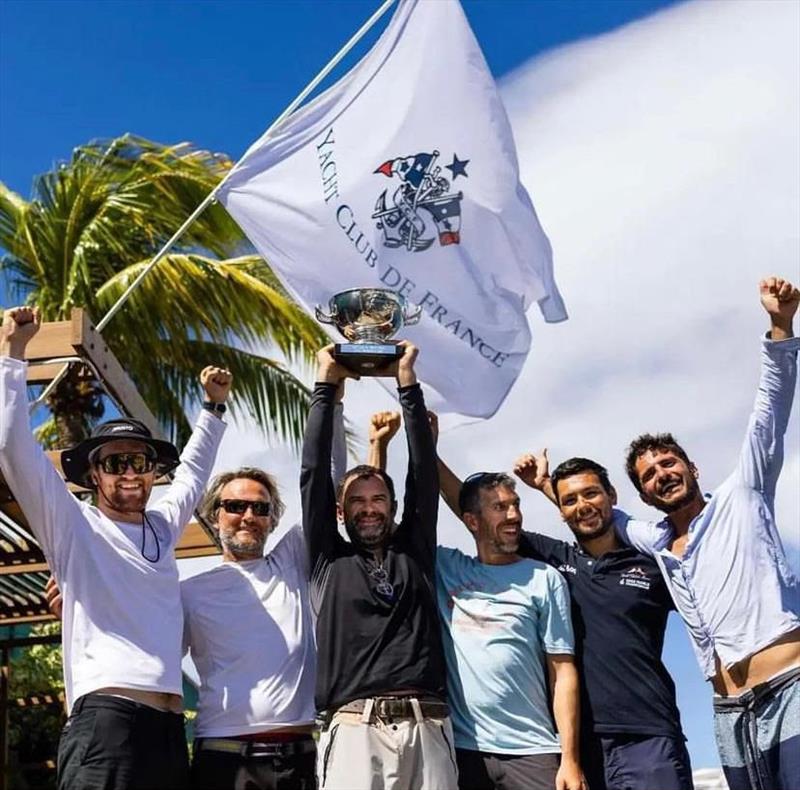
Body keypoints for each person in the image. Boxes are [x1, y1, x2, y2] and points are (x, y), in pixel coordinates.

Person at [0, 305, 232, 790]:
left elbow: (192, 475)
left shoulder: (162, 529)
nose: (130, 471)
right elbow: (13, 448)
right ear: (93, 475)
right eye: (116, 462)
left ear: (152, 473)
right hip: (106, 722)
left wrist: (212, 407)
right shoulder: (72, 524)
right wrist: (13, 353)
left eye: (141, 461)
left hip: (169, 731)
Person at [618, 276, 800, 790]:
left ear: (691, 467)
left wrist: (780, 326)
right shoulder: (655, 543)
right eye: (649, 475)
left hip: (789, 691)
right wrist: (548, 489)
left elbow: (771, 411)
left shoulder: (745, 491)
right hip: (728, 713)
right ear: (645, 493)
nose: (662, 475)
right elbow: (606, 519)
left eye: (669, 463)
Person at [369, 414, 585, 790]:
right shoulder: (445, 567)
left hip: (533, 752)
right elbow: (374, 520)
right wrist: (389, 446)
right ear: (472, 520)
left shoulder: (543, 577)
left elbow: (562, 671)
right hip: (461, 750)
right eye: (500, 507)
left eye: (516, 505)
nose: (514, 515)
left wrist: (569, 758)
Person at [301, 341, 457, 790]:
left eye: (378, 499)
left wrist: (406, 380)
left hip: (427, 725)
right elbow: (312, 474)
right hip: (354, 730)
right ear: (340, 510)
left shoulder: (414, 553)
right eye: (356, 501)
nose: (368, 509)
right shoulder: (327, 561)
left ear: (392, 506)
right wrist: (325, 384)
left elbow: (423, 476)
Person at [509, 453, 693, 790]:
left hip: (649, 738)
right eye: (569, 500)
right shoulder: (556, 561)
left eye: (592, 493)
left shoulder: (653, 566)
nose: (582, 505)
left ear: (613, 495)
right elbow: (481, 515)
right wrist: (429, 449)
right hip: (579, 748)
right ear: (560, 510)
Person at [181, 468, 317, 790]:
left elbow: (328, 482)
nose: (248, 516)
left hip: (298, 760)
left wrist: (374, 445)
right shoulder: (187, 593)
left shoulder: (292, 562)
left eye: (260, 508)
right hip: (224, 760)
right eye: (235, 506)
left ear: (272, 520)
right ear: (215, 516)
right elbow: (147, 653)